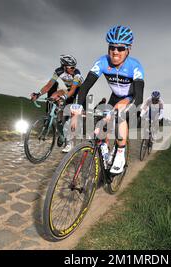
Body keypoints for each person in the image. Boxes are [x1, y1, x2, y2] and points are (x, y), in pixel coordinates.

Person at [73, 25, 145, 174]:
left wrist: (124, 113)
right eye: (112, 47)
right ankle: (105, 153)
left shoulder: (135, 66)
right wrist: (77, 107)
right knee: (100, 127)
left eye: (120, 48)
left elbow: (139, 98)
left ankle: (120, 153)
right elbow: (85, 86)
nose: (115, 51)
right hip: (114, 97)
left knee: (118, 114)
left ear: (128, 49)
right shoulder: (102, 62)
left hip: (130, 98)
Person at [30, 54, 83, 153]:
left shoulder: (77, 73)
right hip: (68, 90)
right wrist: (38, 94)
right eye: (71, 67)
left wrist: (64, 97)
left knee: (73, 114)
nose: (73, 68)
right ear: (64, 66)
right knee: (55, 98)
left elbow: (73, 90)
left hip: (78, 92)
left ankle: (70, 142)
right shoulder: (58, 71)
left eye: (74, 66)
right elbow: (49, 85)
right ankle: (61, 131)